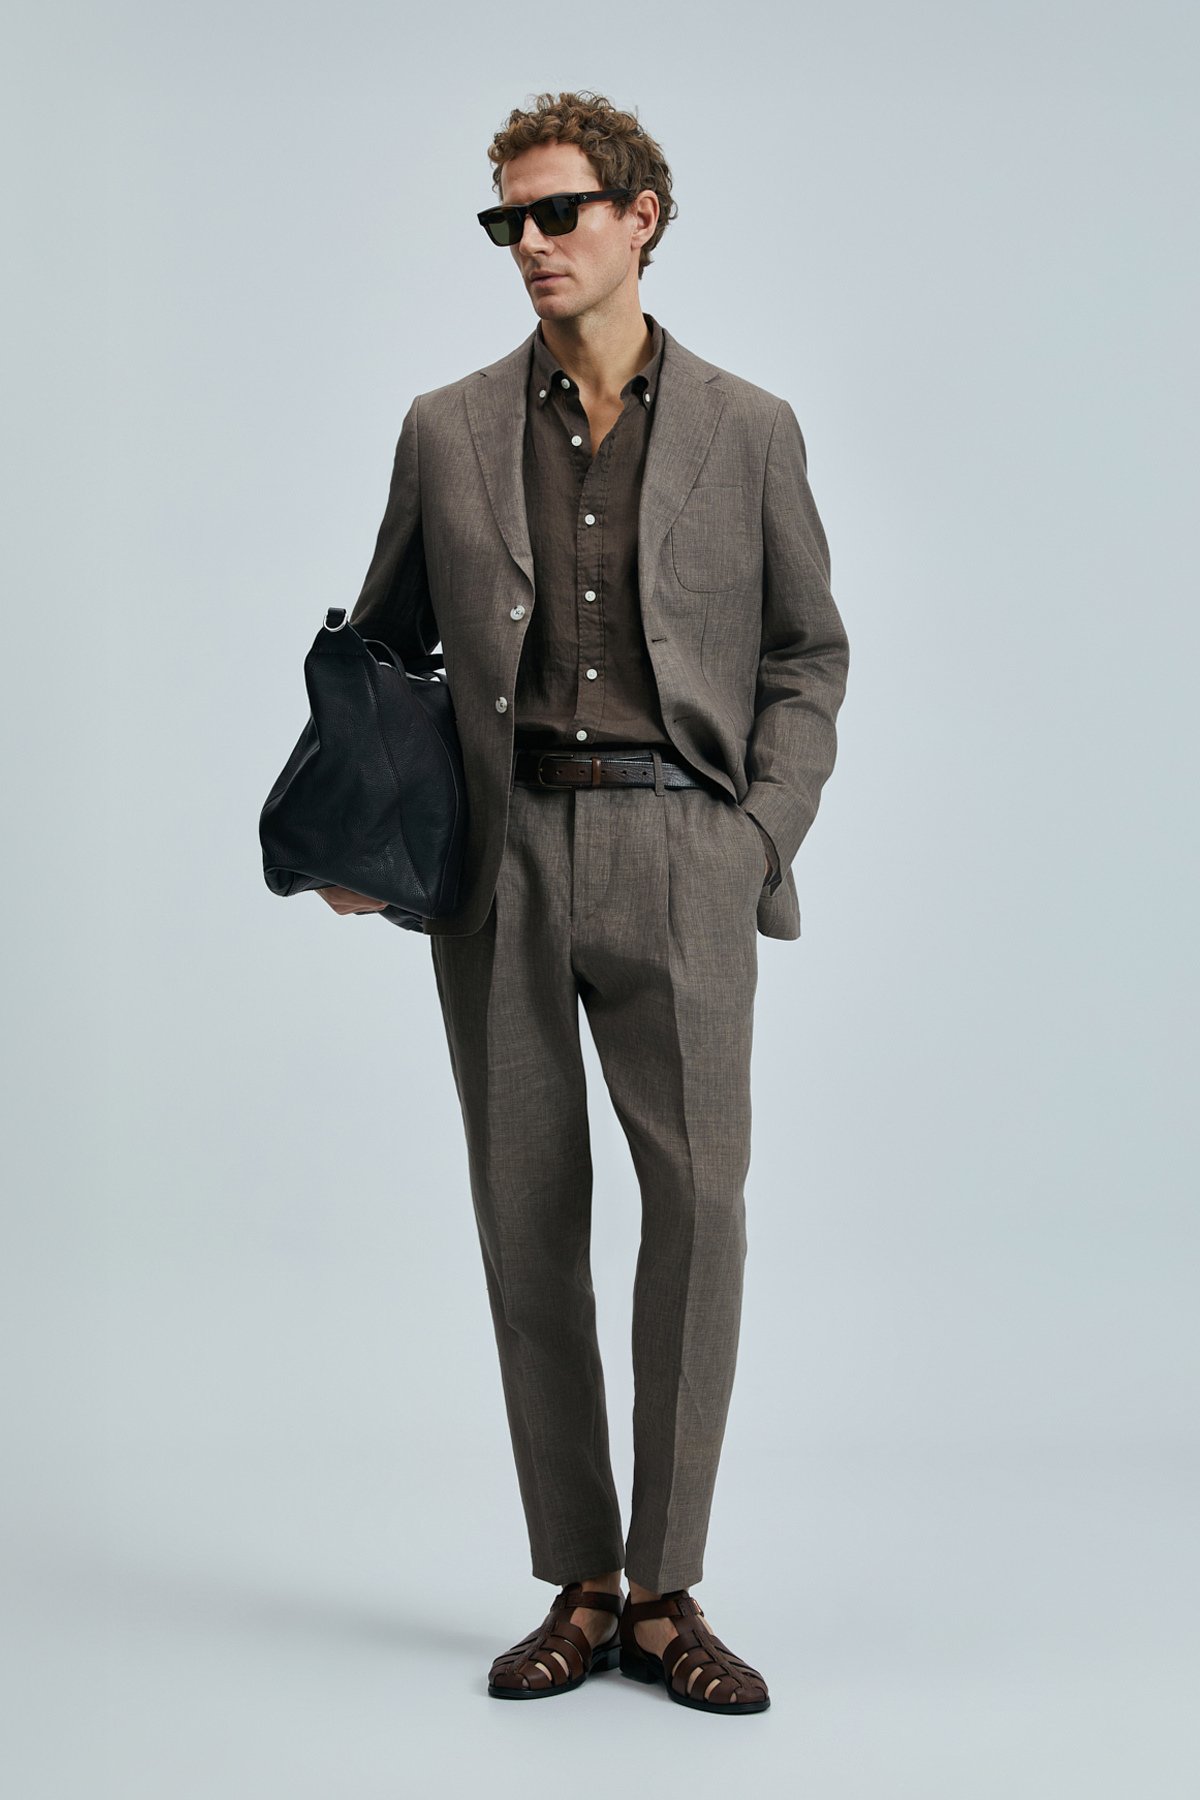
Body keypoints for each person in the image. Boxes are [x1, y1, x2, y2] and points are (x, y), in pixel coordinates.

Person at [319, 89, 849, 1713]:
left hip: (686, 851)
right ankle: (582, 1583)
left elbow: (807, 655)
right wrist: (366, 821)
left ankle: (668, 1593)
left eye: (558, 212)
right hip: (505, 860)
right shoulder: (447, 426)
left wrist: (759, 837)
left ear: (641, 218)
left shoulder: (752, 429)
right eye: (509, 221)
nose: (532, 243)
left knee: (697, 1215)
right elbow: (385, 643)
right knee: (527, 1217)